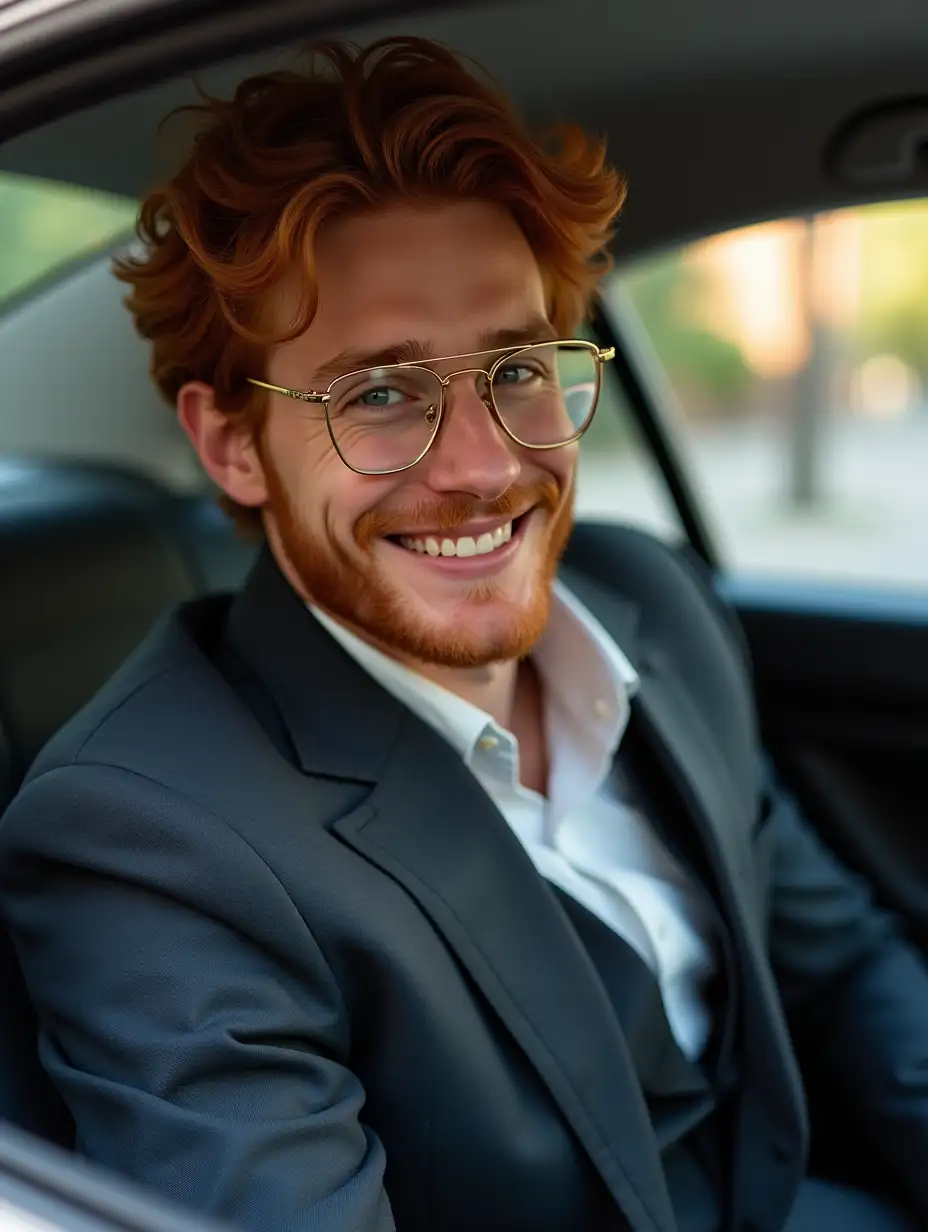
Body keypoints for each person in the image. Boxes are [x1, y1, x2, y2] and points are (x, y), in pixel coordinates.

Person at [1, 35, 927, 1232]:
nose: (485, 465)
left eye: (516, 367)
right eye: (378, 393)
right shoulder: (147, 834)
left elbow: (840, 966)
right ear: (232, 442)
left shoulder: (655, 603)